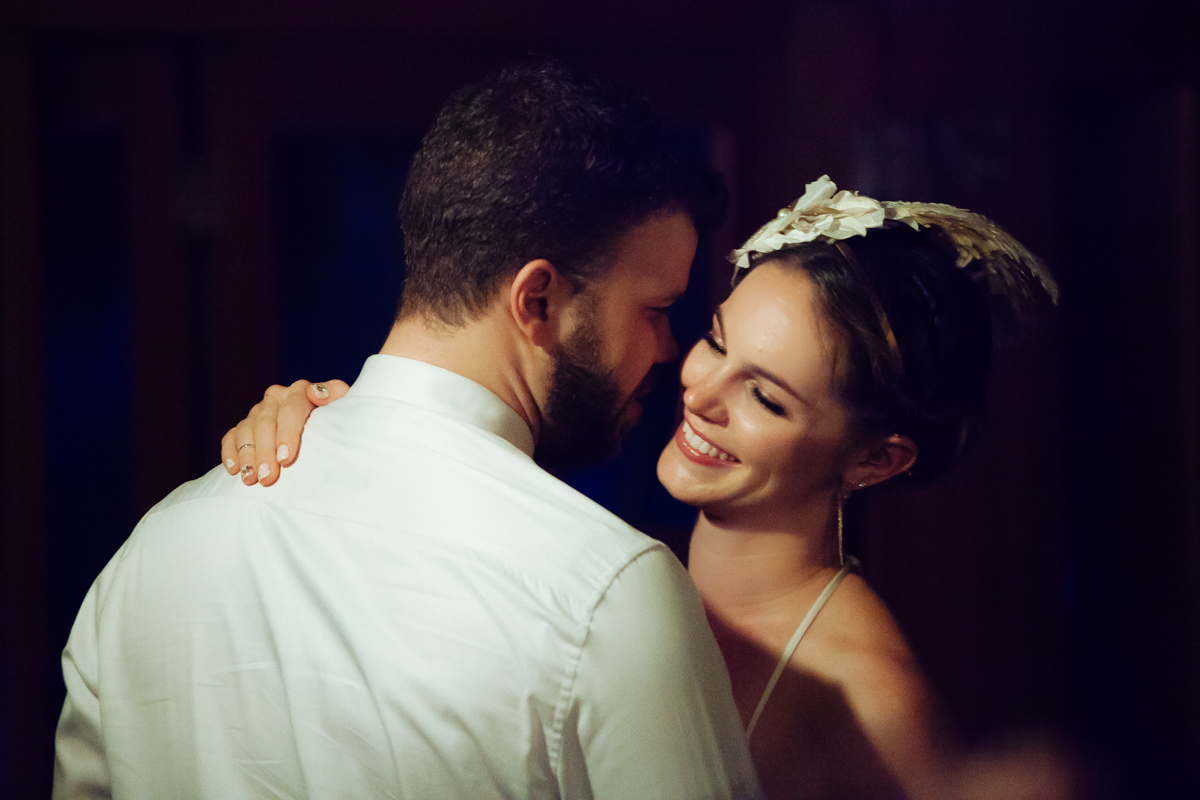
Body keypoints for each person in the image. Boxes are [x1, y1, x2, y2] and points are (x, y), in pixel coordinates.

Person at [53, 60, 762, 799]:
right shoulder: (603, 595)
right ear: (540, 299)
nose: (668, 350)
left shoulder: (153, 550)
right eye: (655, 310)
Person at [234, 176, 1062, 799]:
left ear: (874, 461)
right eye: (713, 340)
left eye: (766, 396)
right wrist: (344, 428)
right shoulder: (621, 572)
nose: (700, 391)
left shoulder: (872, 700)